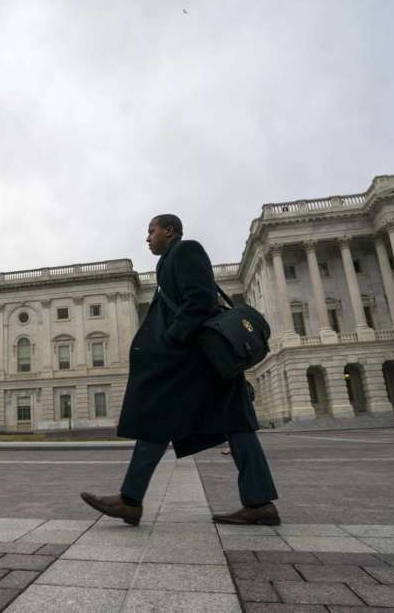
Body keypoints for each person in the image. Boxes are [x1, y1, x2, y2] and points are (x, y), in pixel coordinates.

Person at [81, 214, 280, 526]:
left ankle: (131, 500)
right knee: (231, 426)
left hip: (201, 359)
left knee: (167, 421)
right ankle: (259, 503)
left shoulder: (187, 251)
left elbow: (200, 300)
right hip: (198, 361)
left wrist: (172, 338)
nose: (148, 238)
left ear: (169, 231)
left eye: (152, 231)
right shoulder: (168, 262)